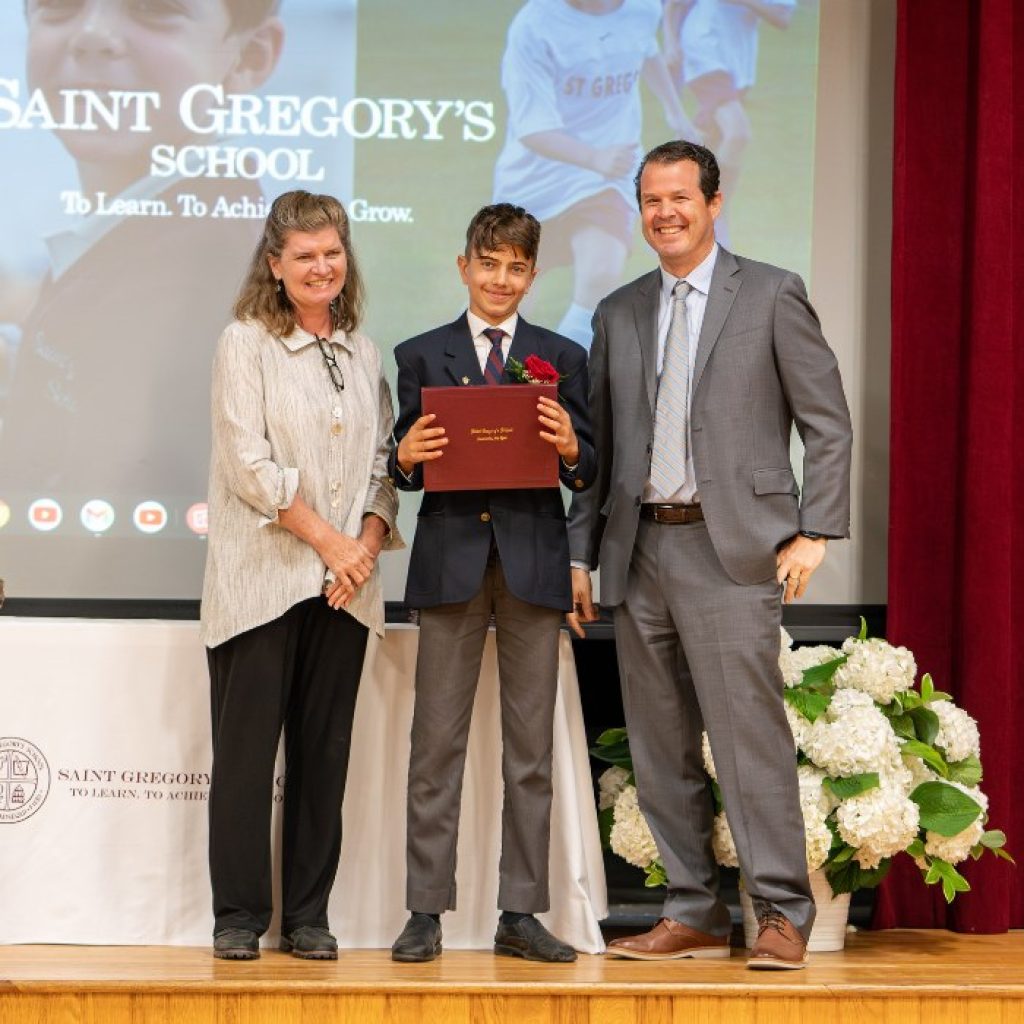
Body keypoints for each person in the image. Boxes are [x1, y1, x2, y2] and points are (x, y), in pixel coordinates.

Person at [567, 140, 852, 969]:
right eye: (651, 200)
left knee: (746, 742)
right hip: (640, 551)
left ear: (714, 202)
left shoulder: (770, 293)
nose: (665, 213)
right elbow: (603, 452)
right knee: (658, 749)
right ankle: (691, 909)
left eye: (680, 198)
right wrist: (583, 553)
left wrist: (816, 530)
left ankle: (780, 914)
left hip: (734, 555)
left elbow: (826, 421)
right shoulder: (618, 312)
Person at [388, 203, 596, 964]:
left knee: (530, 750)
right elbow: (401, 465)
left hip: (535, 567)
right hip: (450, 568)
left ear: (533, 275)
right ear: (464, 265)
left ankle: (521, 912)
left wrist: (574, 448)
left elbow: (587, 467)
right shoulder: (420, 354)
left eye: (516, 267)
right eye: (489, 263)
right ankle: (424, 912)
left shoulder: (562, 356)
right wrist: (404, 456)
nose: (500, 279)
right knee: (435, 746)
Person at [200, 190, 401, 961]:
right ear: (276, 266)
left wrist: (365, 545)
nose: (322, 267)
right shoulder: (243, 341)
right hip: (261, 584)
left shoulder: (363, 348)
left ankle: (309, 917)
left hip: (342, 591)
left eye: (332, 252)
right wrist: (331, 542)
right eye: (305, 256)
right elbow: (249, 466)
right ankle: (240, 918)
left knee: (324, 758)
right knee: (247, 763)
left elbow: (384, 464)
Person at [0, 0, 283, 498]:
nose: (92, 34)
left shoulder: (207, 273)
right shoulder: (142, 235)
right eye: (59, 6)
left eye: (154, 10)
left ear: (248, 59)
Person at [492, 0, 699, 350]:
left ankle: (561, 371)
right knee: (512, 294)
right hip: (537, 178)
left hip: (608, 175)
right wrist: (594, 158)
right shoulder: (535, 26)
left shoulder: (643, 8)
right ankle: (491, 379)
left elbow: (645, 50)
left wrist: (675, 113)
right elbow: (532, 129)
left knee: (602, 267)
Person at [662, 0, 796, 246]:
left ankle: (678, 224)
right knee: (738, 133)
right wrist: (671, 43)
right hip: (703, 48)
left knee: (705, 144)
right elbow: (674, 4)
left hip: (737, 61)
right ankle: (711, 212)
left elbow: (782, 16)